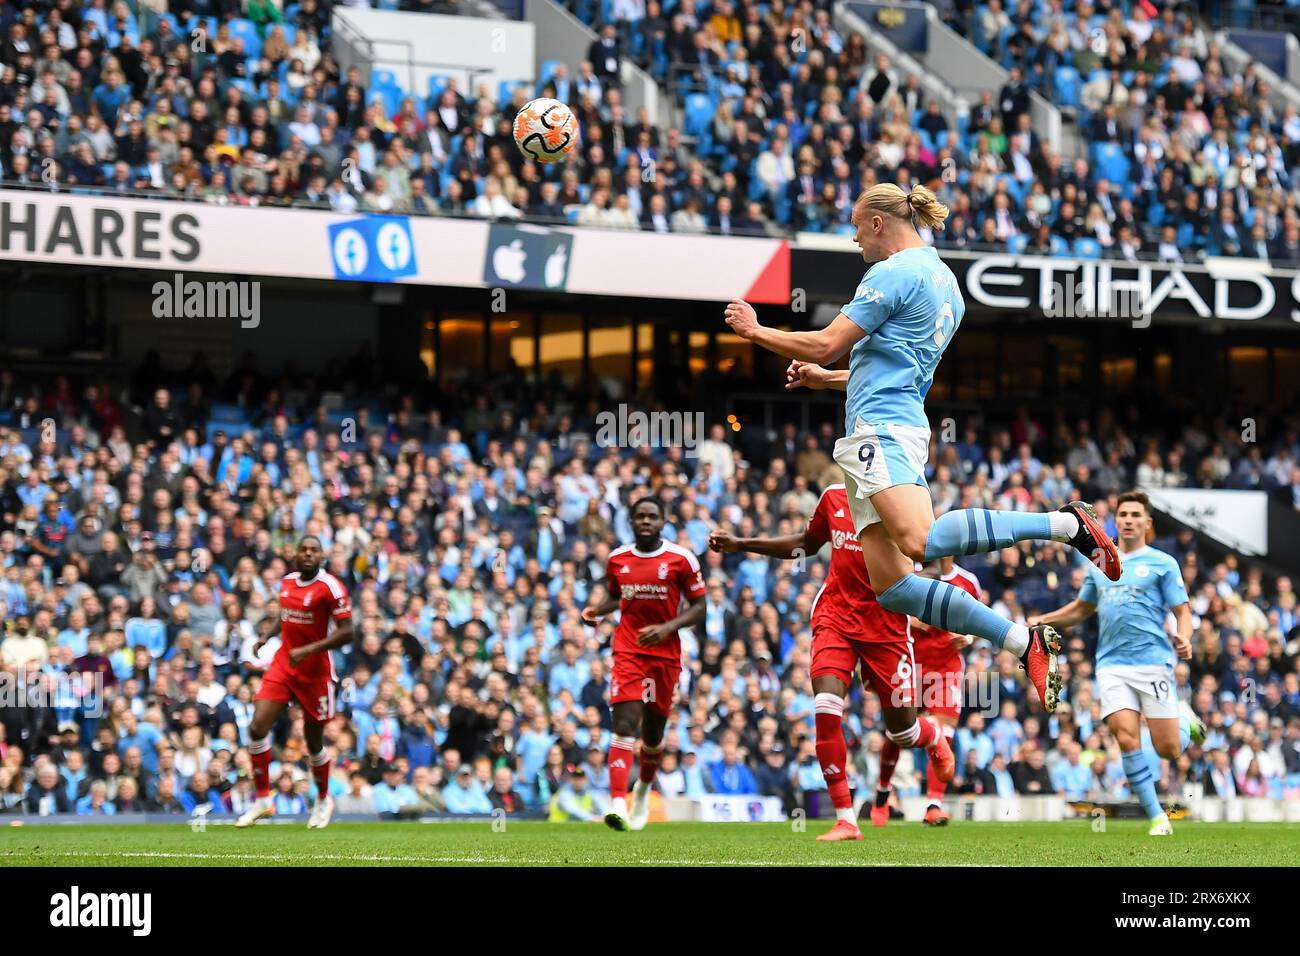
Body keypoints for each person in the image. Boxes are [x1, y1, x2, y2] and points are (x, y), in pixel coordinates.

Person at [722, 183, 1122, 718]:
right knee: (894, 589)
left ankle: (1067, 525)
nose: (855, 236)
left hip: (880, 431)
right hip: (888, 423)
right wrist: (825, 380)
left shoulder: (892, 272)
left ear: (880, 223)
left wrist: (756, 331)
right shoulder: (946, 285)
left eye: (858, 225)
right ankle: (1022, 643)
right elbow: (895, 373)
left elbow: (824, 340)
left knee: (921, 540)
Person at [709, 482, 954, 842]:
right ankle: (845, 819)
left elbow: (926, 563)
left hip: (887, 628)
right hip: (834, 617)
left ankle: (931, 736)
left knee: (902, 731)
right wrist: (743, 544)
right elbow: (806, 545)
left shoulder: (905, 499)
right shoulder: (833, 496)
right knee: (825, 708)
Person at [1031, 490, 1202, 836]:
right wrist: (1043, 619)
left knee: (1168, 749)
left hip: (1154, 663)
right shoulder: (1099, 564)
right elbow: (1082, 609)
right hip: (1111, 665)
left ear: (1147, 523)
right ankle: (1157, 817)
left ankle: (1186, 720)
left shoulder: (1163, 563)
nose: (1128, 520)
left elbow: (1183, 612)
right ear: (1115, 520)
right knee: (1126, 738)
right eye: (1123, 514)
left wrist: (1185, 638)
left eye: (1135, 515)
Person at [582, 497, 706, 831]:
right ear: (632, 522)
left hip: (665, 656)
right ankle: (617, 803)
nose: (646, 521)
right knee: (624, 723)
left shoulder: (681, 559)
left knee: (653, 736)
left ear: (663, 521)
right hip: (629, 650)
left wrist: (667, 628)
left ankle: (642, 791)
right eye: (640, 516)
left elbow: (700, 607)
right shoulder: (618, 559)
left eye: (653, 515)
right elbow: (616, 596)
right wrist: (597, 611)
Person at [235, 536, 355, 830]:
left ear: (323, 556)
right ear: (296, 555)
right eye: (304, 550)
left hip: (316, 673)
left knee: (313, 743)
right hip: (285, 664)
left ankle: (323, 799)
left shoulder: (331, 587)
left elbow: (348, 632)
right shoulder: (287, 582)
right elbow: (286, 616)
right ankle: (263, 799)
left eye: (314, 550)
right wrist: (267, 636)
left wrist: (310, 649)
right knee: (256, 727)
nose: (309, 554)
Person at [883, 556, 979, 827]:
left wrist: (969, 637)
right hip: (908, 665)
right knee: (898, 732)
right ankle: (883, 793)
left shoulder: (967, 582)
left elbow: (979, 620)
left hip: (946, 669)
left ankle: (933, 805)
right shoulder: (905, 574)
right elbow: (882, 608)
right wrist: (907, 620)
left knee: (944, 735)